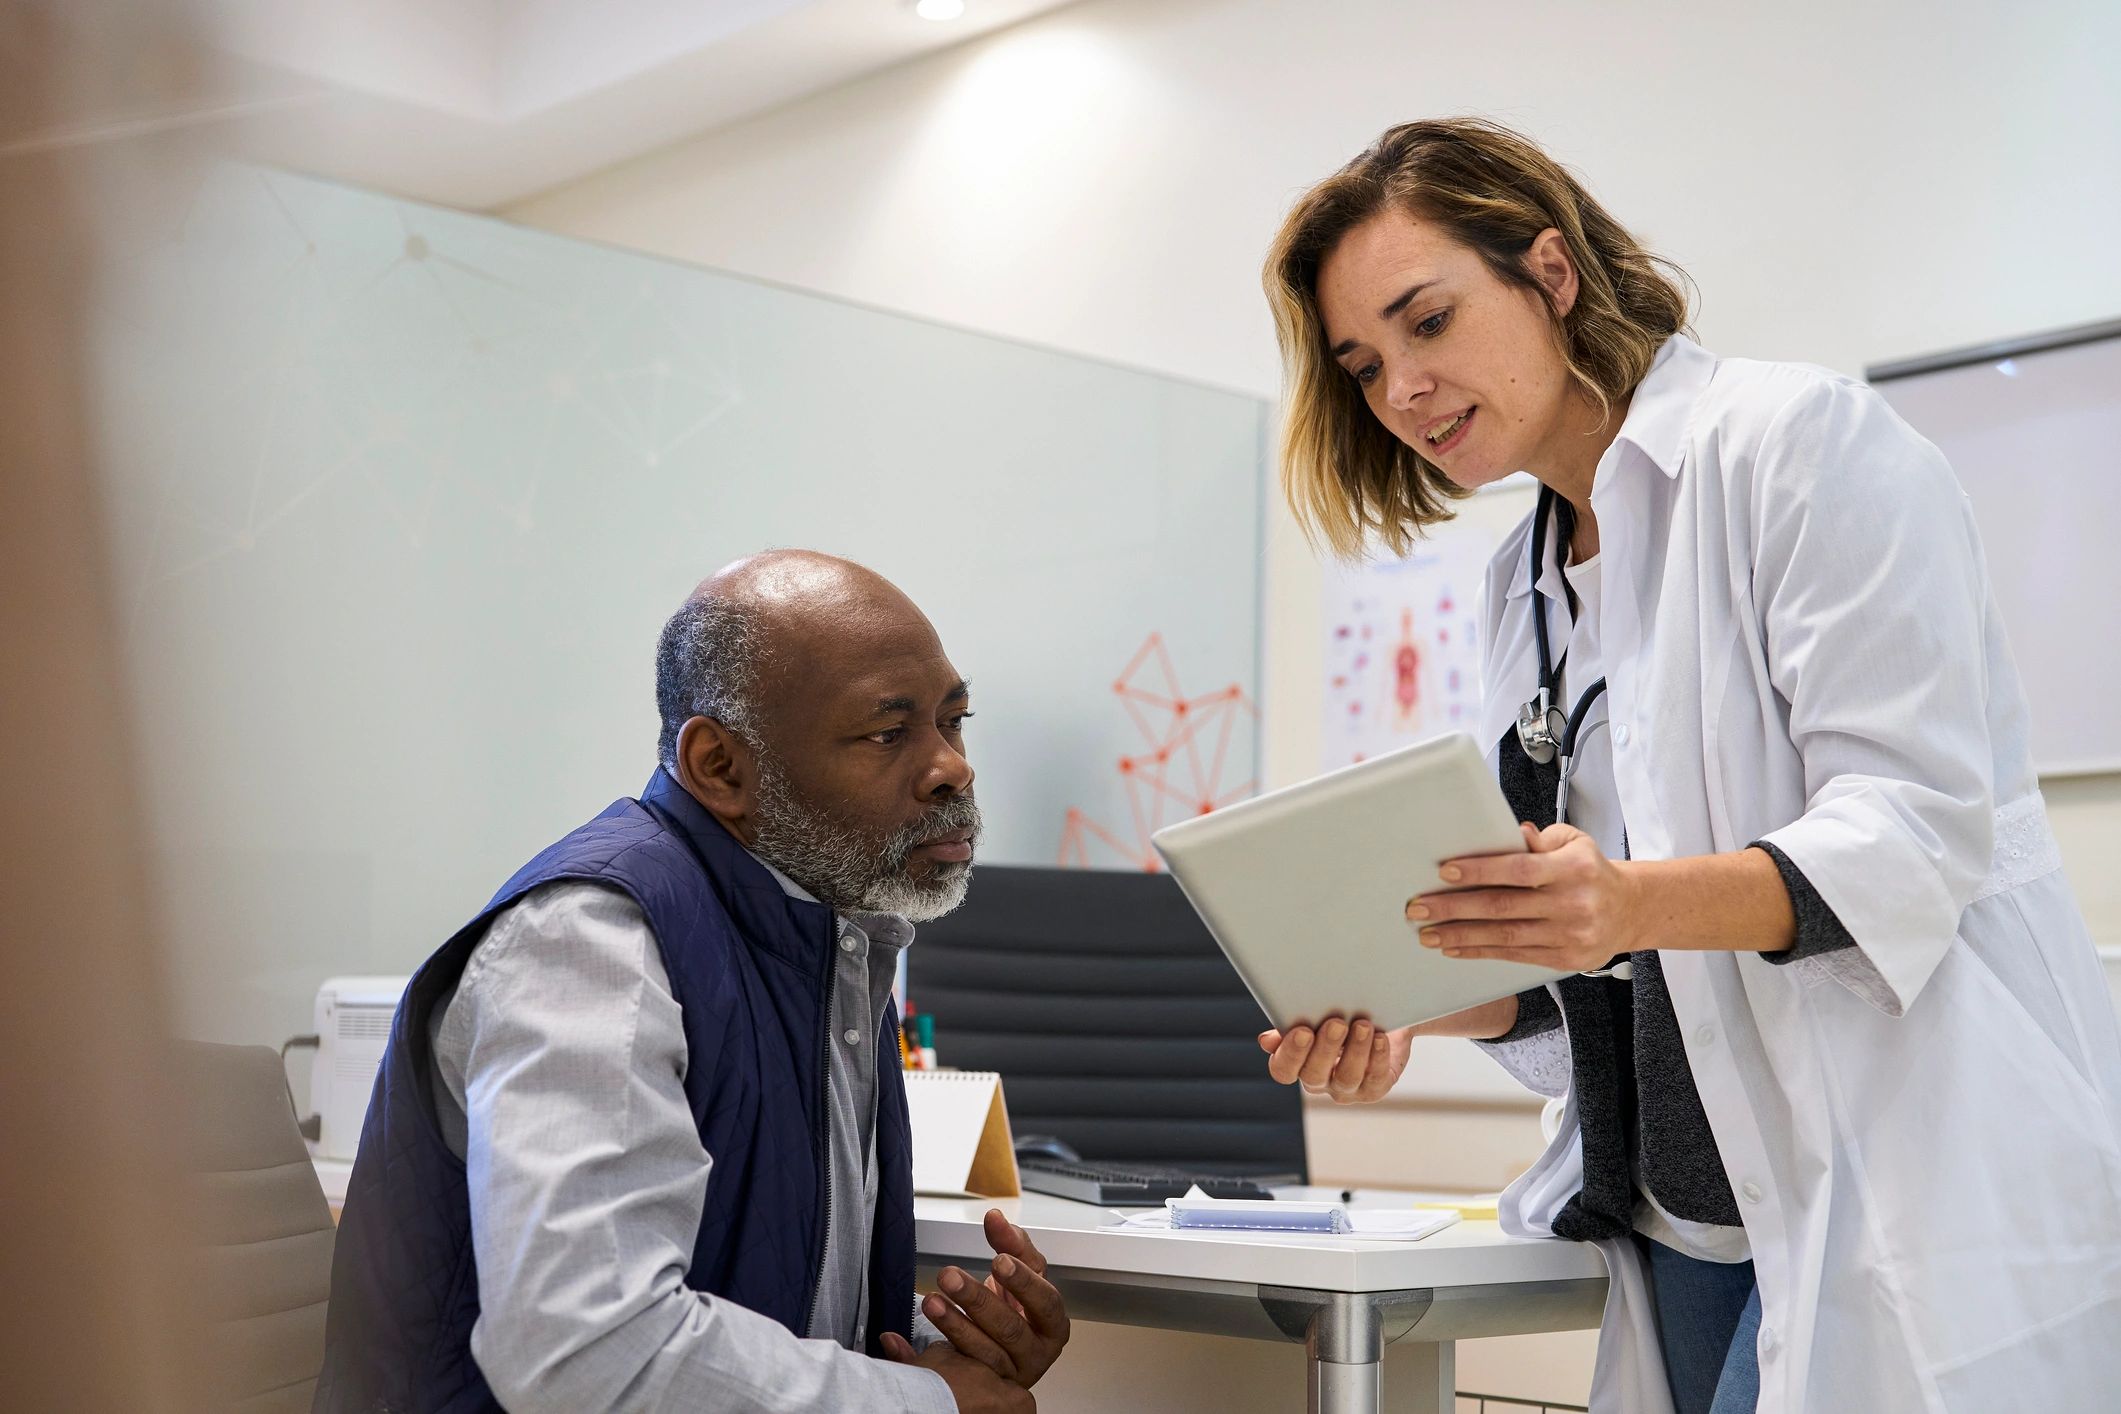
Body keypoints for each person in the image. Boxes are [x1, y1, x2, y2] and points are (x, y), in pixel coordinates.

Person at [1253, 119, 2121, 1413]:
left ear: (1550, 271)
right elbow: (1597, 966)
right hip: (1679, 1215)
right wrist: (1417, 1009)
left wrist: (1622, 900)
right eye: (1365, 364)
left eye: (1427, 322)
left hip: (1899, 1186)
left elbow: (1910, 837)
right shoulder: (1523, 582)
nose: (1401, 391)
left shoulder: (1797, 445)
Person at [316, 550, 1069, 1414]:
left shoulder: (827, 939)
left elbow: (770, 1296)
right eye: (888, 733)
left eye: (954, 721)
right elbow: (588, 1350)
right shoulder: (592, 941)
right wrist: (929, 1405)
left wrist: (945, 1351)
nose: (951, 767)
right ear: (719, 767)